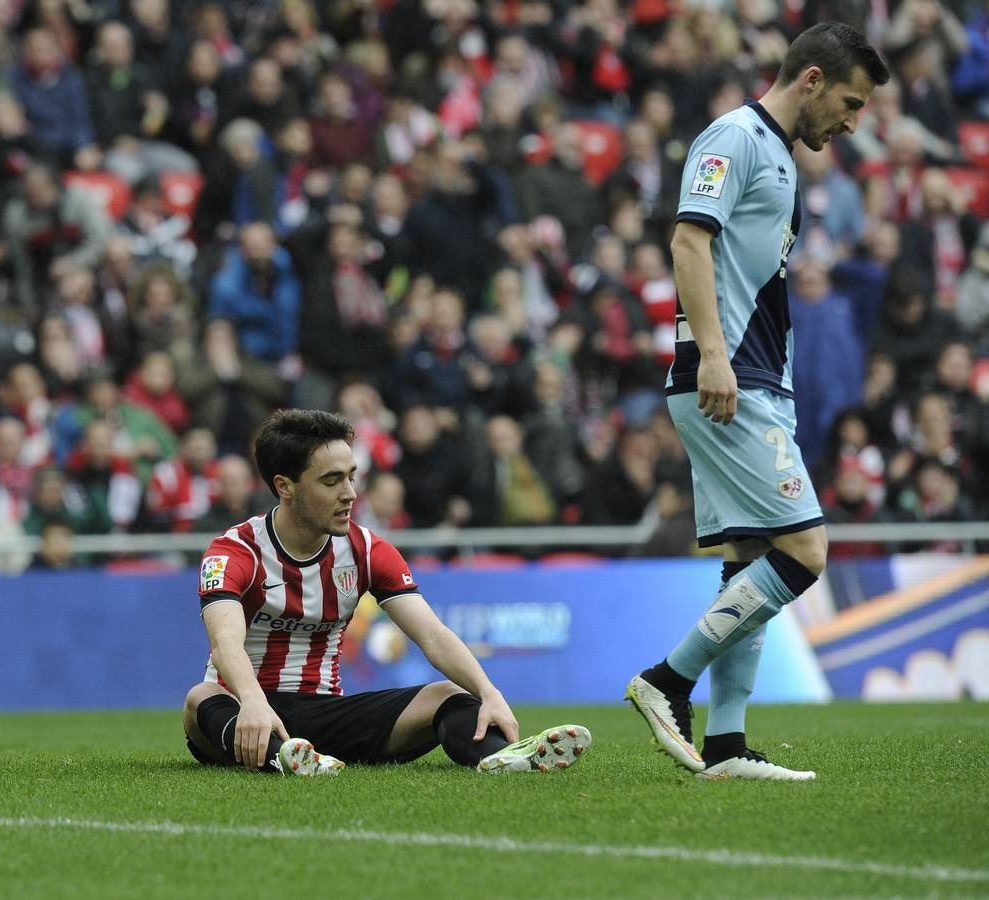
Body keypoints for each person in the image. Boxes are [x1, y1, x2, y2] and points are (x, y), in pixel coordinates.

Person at [626, 23, 889, 782]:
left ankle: (727, 744)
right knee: (804, 551)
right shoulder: (734, 137)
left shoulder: (779, 156)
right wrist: (712, 354)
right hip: (727, 379)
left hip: (755, 378)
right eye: (848, 101)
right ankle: (666, 681)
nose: (851, 122)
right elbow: (687, 242)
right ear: (810, 79)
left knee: (748, 560)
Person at [181, 409, 591, 776]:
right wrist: (253, 701)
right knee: (201, 698)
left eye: (351, 477)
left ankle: (501, 758)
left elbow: (432, 634)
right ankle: (282, 755)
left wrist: (490, 693)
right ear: (285, 486)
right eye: (331, 481)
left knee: (451, 694)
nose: (350, 494)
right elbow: (224, 643)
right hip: (243, 708)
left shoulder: (366, 549)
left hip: (328, 713)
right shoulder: (235, 551)